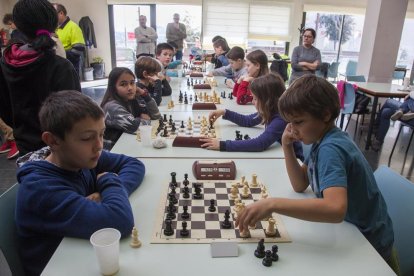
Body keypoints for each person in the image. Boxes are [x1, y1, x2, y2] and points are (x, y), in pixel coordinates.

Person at [236, 75, 394, 265]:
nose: (293, 129)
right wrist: (286, 146)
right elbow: (300, 183)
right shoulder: (319, 138)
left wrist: (272, 204)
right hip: (347, 233)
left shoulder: (331, 149)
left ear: (326, 114)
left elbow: (335, 209)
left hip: (369, 248)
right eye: (290, 122)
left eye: (299, 122)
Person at [15, 91, 145, 276]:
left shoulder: (78, 157)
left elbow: (134, 164)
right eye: (87, 138)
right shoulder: (40, 189)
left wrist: (108, 192)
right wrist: (109, 181)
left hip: (83, 254)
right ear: (53, 141)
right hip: (59, 267)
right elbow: (119, 221)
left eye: (101, 134)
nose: (99, 145)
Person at [0, 0, 81, 157]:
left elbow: (4, 109)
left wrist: (22, 127)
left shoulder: (5, 64)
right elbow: (75, 115)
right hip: (59, 148)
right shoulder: (61, 66)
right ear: (53, 23)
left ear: (17, 24)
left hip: (24, 144)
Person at [200, 74, 304, 159]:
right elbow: (248, 120)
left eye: (255, 98)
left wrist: (223, 145)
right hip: (280, 154)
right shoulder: (270, 110)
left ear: (267, 101)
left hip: (293, 160)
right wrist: (224, 112)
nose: (252, 101)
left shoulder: (281, 119)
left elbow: (259, 144)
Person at [101, 66, 161, 150]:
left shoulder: (131, 99)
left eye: (132, 83)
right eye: (123, 84)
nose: (130, 88)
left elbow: (156, 116)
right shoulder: (112, 107)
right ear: (113, 88)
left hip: (127, 145)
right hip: (113, 151)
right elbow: (136, 127)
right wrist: (144, 120)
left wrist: (145, 95)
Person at [52, 3, 86, 77]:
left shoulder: (73, 27)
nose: (51, 17)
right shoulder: (54, 28)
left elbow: (78, 50)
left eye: (53, 14)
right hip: (58, 67)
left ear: (61, 13)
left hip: (70, 68)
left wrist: (60, 54)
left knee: (71, 88)